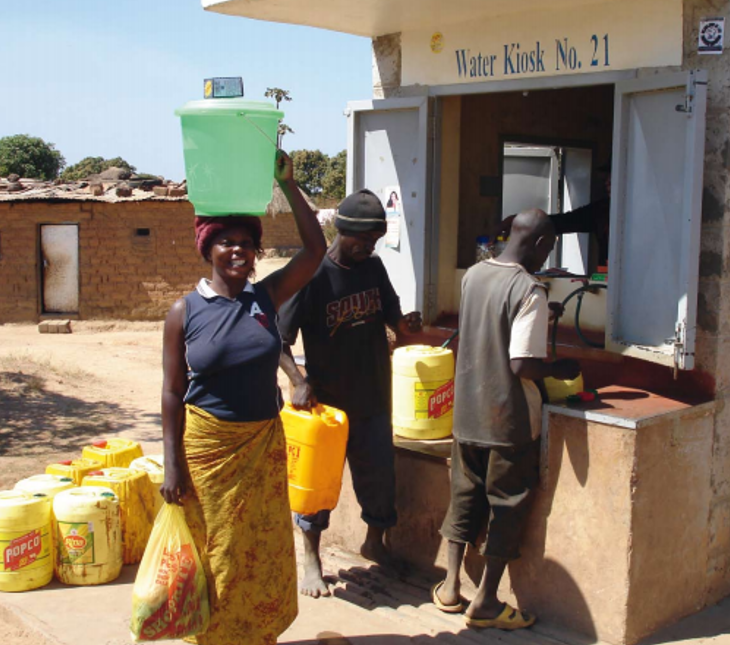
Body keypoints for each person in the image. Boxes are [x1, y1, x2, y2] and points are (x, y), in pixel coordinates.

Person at [159, 150, 326, 645]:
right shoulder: (183, 311)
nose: (238, 251)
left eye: (247, 244)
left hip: (262, 447)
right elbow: (171, 392)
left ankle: (255, 635)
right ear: (207, 250)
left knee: (263, 550)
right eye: (226, 243)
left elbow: (315, 250)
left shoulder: (265, 298)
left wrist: (289, 184)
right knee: (218, 554)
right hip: (207, 452)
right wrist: (172, 465)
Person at [433, 209, 580, 630]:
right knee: (507, 505)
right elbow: (522, 364)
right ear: (537, 244)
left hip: (467, 415)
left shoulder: (474, 276)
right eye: (548, 248)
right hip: (507, 420)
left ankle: (449, 587)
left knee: (463, 495)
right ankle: (487, 601)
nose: (546, 256)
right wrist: (559, 368)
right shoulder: (529, 289)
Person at [278, 188, 422, 598]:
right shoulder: (312, 275)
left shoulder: (373, 268)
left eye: (375, 241)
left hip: (374, 397)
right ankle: (311, 561)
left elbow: (394, 318)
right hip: (327, 407)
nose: (370, 248)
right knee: (318, 486)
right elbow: (277, 338)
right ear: (344, 232)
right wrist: (298, 379)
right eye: (365, 241)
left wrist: (407, 324)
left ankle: (375, 543)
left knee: (379, 479)